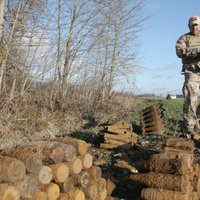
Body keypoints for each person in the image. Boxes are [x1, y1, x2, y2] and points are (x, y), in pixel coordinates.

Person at [175, 16, 200, 139]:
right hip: (192, 72)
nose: (195, 27)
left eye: (197, 25)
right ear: (189, 26)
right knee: (191, 97)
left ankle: (197, 121)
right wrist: (197, 50)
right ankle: (189, 126)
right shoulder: (184, 38)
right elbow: (180, 51)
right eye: (193, 25)